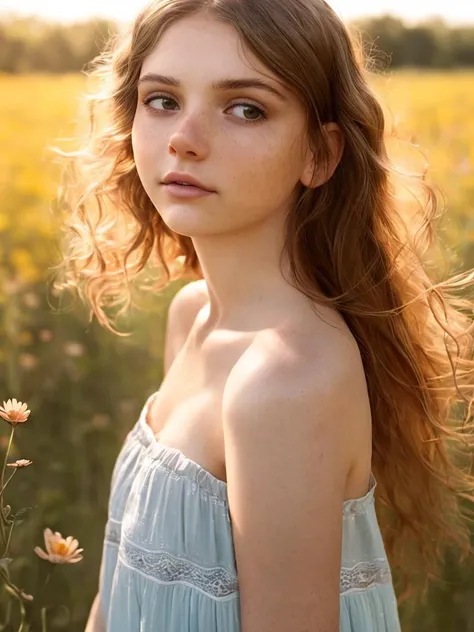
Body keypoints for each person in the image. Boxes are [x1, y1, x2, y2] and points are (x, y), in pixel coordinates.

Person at [53, 0, 474, 630]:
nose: (183, 140)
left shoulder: (286, 378)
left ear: (320, 156)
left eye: (245, 109)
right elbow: (119, 590)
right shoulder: (192, 315)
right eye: (162, 99)